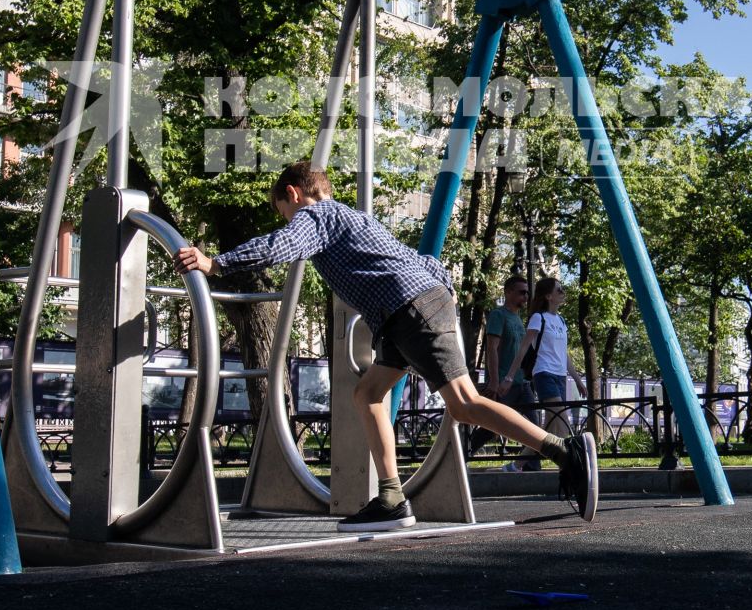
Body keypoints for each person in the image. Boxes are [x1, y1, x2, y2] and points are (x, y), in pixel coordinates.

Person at [174, 161, 598, 530]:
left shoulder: (316, 216)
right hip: (404, 314)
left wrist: (217, 263)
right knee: (368, 393)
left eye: (284, 212)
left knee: (464, 403)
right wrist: (441, 294)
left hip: (411, 311)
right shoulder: (358, 219)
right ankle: (392, 497)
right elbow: (424, 263)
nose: (288, 221)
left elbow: (280, 246)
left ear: (294, 194)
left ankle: (565, 450)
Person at [483, 275, 541, 470]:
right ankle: (463, 455)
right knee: (491, 427)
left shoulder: (517, 318)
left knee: (534, 426)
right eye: (521, 292)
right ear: (508, 292)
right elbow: (491, 348)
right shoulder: (498, 315)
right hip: (503, 384)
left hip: (521, 383)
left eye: (527, 293)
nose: (526, 296)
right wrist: (494, 380)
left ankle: (533, 468)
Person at [526, 278, 577, 442]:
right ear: (548, 296)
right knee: (561, 419)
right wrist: (509, 376)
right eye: (559, 290)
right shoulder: (538, 318)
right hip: (544, 373)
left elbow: (565, 355)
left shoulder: (561, 321)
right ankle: (571, 460)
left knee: (550, 428)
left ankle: (517, 464)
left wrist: (578, 381)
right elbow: (523, 347)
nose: (563, 293)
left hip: (561, 376)